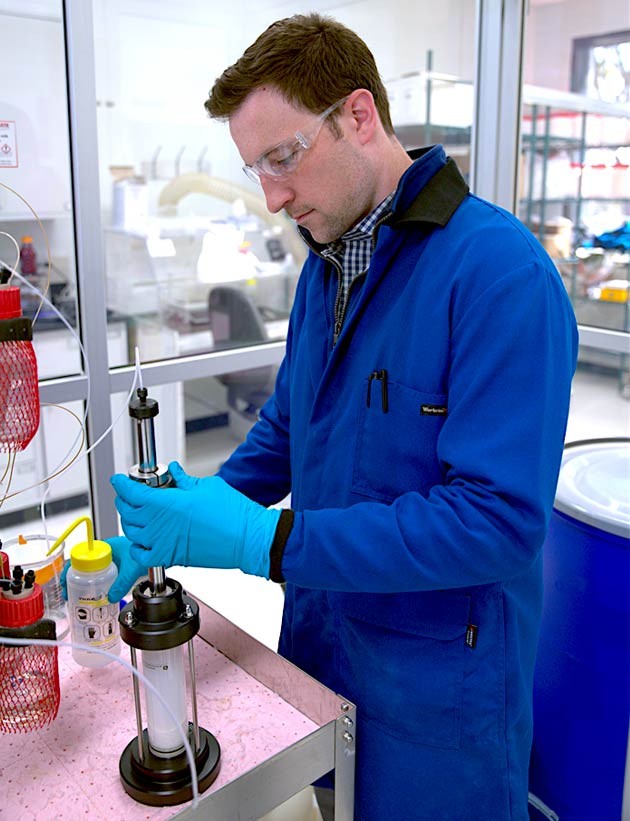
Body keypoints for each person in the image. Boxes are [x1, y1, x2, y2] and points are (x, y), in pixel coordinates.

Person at [106, 14, 578, 820]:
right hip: (325, 650)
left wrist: (266, 541)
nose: (272, 197)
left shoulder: (501, 275)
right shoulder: (327, 271)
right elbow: (292, 432)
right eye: (256, 169)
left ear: (359, 116)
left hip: (440, 696)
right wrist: (196, 510)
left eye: (283, 158)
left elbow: (496, 522)